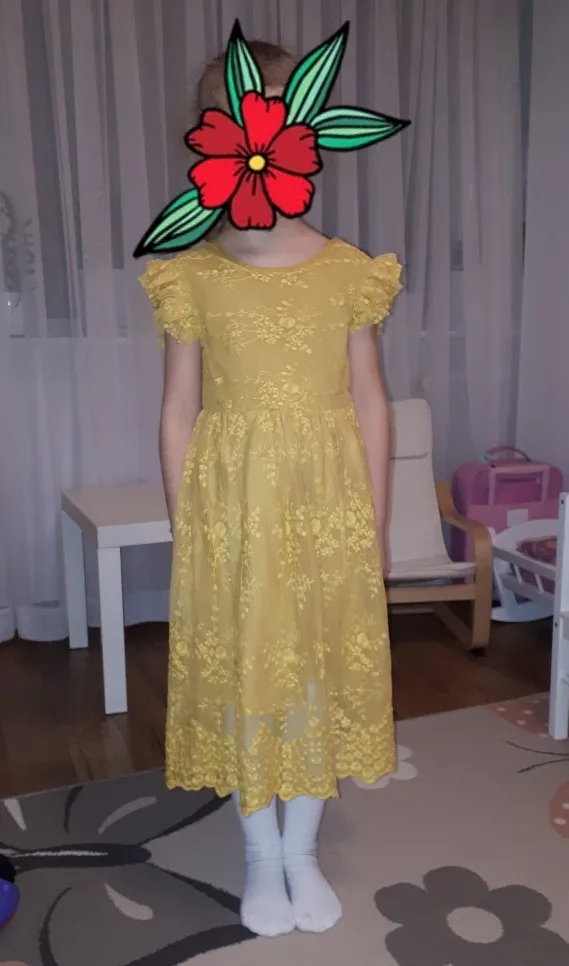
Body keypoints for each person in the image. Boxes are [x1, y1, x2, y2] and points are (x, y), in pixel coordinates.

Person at [139, 39, 401, 939]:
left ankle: (301, 847)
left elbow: (369, 398)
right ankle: (259, 852)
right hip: (235, 511)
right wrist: (188, 526)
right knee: (249, 672)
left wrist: (373, 524)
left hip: (326, 508)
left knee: (316, 669)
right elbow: (178, 408)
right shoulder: (191, 274)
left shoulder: (348, 270)